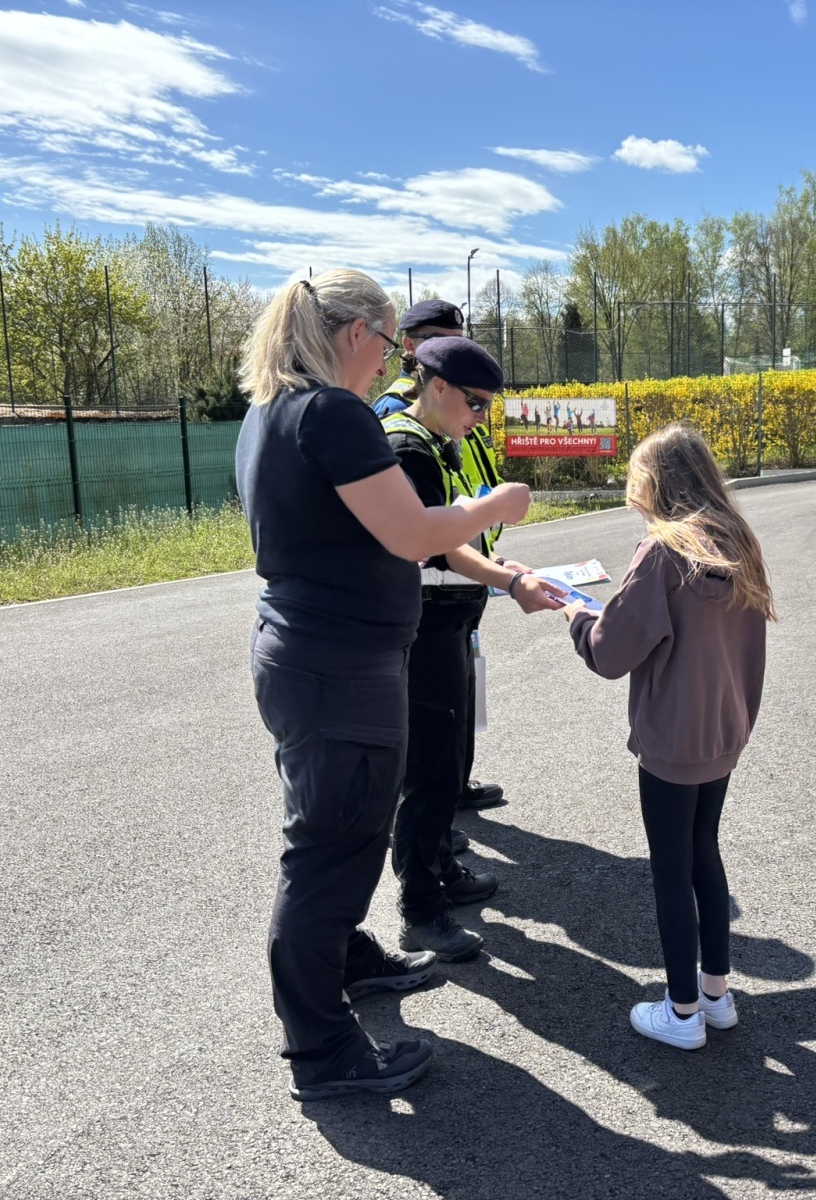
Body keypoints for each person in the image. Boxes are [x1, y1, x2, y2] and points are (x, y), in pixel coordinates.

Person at [235, 270, 530, 1100]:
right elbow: (411, 532)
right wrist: (495, 505)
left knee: (345, 832)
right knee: (329, 850)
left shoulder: (271, 411)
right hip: (337, 666)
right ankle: (321, 1050)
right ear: (355, 332)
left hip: (313, 656)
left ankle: (347, 959)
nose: (395, 361)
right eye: (392, 341)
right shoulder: (331, 412)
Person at [563, 424, 774, 1050]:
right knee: (704, 851)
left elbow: (610, 652)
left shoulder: (662, 551)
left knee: (670, 869)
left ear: (654, 483)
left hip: (672, 738)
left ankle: (682, 1014)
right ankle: (714, 994)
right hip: (724, 728)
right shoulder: (737, 540)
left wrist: (576, 615)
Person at [383, 336, 566, 962]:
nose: (481, 417)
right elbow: (435, 545)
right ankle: (420, 909)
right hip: (426, 627)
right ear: (436, 386)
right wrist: (508, 581)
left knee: (449, 758)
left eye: (488, 404)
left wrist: (500, 564)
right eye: (475, 402)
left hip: (450, 621)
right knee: (430, 771)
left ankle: (439, 868)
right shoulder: (407, 448)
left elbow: (458, 540)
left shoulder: (439, 440)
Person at [375, 299, 521, 819]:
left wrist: (492, 556)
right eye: (438, 339)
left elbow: (457, 502)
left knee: (455, 719)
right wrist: (503, 571)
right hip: (431, 598)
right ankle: (425, 842)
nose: (480, 416)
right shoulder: (401, 421)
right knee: (429, 741)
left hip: (462, 586)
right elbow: (426, 536)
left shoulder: (451, 416)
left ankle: (447, 803)